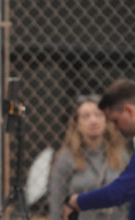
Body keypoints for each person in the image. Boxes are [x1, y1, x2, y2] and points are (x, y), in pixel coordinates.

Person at [63, 79, 135, 220]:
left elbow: (119, 192)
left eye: (115, 120)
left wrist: (77, 202)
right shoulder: (66, 157)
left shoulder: (121, 154)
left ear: (129, 111)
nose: (115, 128)